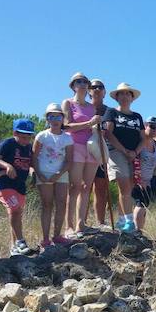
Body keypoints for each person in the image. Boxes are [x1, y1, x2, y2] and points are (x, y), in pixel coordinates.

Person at [62, 72, 100, 239]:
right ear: (73, 85)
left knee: (86, 187)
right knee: (75, 187)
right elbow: (66, 126)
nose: (82, 84)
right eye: (78, 81)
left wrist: (97, 126)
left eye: (85, 81)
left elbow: (93, 128)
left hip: (91, 147)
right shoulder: (68, 103)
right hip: (75, 145)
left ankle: (80, 224)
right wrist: (89, 123)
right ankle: (68, 226)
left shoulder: (92, 107)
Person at [103, 82, 145, 233]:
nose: (125, 96)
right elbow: (108, 133)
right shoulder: (111, 112)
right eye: (122, 93)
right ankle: (128, 220)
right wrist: (125, 151)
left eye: (128, 93)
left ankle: (121, 220)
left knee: (130, 186)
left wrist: (135, 151)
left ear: (132, 98)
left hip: (133, 154)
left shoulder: (137, 116)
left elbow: (143, 137)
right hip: (116, 152)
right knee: (124, 185)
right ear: (117, 97)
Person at [0, 118, 36, 256]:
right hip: (4, 184)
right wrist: (7, 165)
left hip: (20, 185)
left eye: (29, 136)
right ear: (15, 133)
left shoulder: (29, 147)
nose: (26, 140)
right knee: (15, 210)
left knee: (16, 214)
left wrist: (32, 173)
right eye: (23, 137)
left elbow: (31, 163)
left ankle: (14, 248)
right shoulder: (8, 144)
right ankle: (21, 241)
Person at [33, 103, 73, 248]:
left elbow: (69, 160)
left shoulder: (67, 138)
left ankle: (57, 235)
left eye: (58, 116)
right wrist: (39, 174)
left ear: (62, 119)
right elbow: (34, 157)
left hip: (61, 173)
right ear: (47, 119)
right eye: (51, 116)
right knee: (47, 204)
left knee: (62, 203)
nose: (55, 119)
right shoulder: (42, 136)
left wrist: (59, 173)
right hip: (44, 172)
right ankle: (45, 239)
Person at [88, 79, 114, 228]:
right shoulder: (83, 108)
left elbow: (110, 132)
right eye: (93, 87)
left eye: (100, 87)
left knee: (101, 187)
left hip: (103, 152)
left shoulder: (109, 111)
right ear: (89, 91)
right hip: (85, 151)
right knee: (83, 187)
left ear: (104, 92)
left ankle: (100, 222)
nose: (97, 89)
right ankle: (80, 222)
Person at [130, 119, 156, 233]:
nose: (155, 130)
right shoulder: (138, 141)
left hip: (149, 180)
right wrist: (138, 179)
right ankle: (136, 231)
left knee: (145, 205)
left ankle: (140, 231)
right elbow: (133, 159)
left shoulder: (155, 144)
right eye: (153, 126)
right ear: (145, 126)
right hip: (136, 179)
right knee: (140, 203)